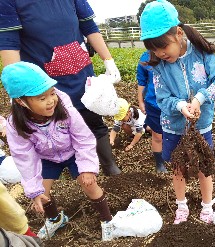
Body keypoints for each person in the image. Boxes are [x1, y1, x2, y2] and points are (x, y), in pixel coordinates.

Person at [0, 0, 121, 176]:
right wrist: (16, 86)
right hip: (44, 83)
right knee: (56, 127)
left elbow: (89, 26)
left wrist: (108, 60)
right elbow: (9, 43)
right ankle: (69, 171)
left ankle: (109, 166)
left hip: (80, 71)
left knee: (93, 119)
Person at [140, 0, 215, 224]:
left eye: (163, 47)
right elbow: (162, 98)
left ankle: (207, 205)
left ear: (178, 33)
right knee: (178, 167)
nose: (159, 53)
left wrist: (200, 98)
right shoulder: (159, 66)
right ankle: (181, 206)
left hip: (201, 127)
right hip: (173, 127)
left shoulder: (201, 54)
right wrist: (181, 106)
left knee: (204, 168)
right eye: (153, 49)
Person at [1, 62, 114, 240]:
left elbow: (83, 138)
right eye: (41, 98)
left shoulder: (64, 109)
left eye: (52, 93)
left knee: (89, 184)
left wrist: (86, 167)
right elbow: (24, 157)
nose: (51, 100)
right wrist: (33, 189)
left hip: (73, 153)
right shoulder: (17, 125)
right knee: (42, 193)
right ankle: (56, 218)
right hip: (46, 158)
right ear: (20, 101)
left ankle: (108, 220)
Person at [137, 50, 167, 173]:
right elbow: (141, 81)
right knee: (157, 135)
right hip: (154, 103)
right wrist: (140, 101)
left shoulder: (174, 54)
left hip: (175, 103)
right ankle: (159, 163)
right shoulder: (145, 58)